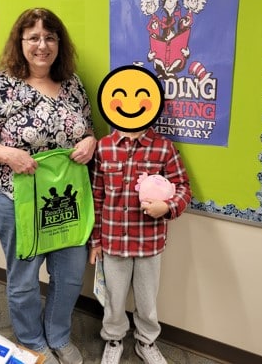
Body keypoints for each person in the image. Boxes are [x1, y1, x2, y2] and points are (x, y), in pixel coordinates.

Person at [0, 8, 97, 364]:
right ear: (20, 43)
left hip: (66, 201)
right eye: (33, 37)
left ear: (59, 44)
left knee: (68, 275)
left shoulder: (72, 84)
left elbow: (88, 131)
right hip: (14, 199)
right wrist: (9, 154)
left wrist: (90, 143)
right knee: (24, 277)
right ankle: (33, 342)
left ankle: (59, 335)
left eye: (50, 37)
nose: (42, 45)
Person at [89, 127, 191, 364]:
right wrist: (95, 240)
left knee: (147, 298)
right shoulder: (104, 147)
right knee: (114, 297)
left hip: (149, 243)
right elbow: (96, 196)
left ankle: (146, 341)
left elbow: (183, 186)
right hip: (113, 241)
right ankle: (113, 339)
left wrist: (167, 207)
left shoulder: (163, 147)